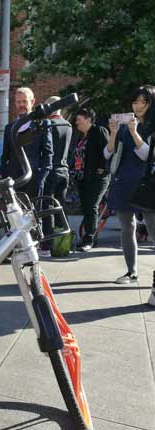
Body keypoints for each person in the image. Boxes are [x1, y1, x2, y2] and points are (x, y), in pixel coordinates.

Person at [105, 85, 155, 285]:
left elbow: (146, 155)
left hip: (149, 184)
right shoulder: (124, 126)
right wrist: (113, 133)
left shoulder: (151, 127)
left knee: (152, 229)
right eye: (135, 101)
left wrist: (135, 133)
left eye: (143, 101)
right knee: (127, 226)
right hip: (124, 181)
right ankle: (131, 271)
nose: (138, 105)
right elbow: (107, 154)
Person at [1, 87, 54, 199]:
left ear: (32, 102)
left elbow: (48, 153)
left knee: (34, 215)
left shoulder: (42, 124)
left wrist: (42, 177)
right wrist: (5, 177)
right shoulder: (9, 128)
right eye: (18, 102)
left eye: (24, 101)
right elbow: (5, 155)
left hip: (34, 178)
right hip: (13, 180)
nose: (21, 105)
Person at [71, 108, 110, 252]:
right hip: (83, 177)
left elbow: (108, 152)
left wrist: (102, 170)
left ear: (88, 119)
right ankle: (88, 236)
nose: (76, 122)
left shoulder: (99, 131)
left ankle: (89, 239)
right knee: (86, 207)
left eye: (79, 119)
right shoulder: (82, 136)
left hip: (98, 177)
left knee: (92, 206)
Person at [41, 96, 73, 253]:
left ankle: (47, 244)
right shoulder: (68, 125)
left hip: (51, 170)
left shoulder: (48, 125)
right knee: (61, 206)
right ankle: (63, 244)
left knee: (48, 207)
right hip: (64, 169)